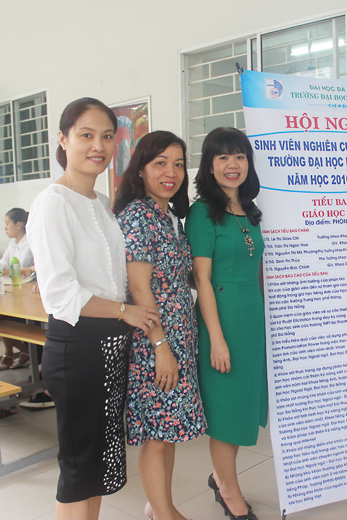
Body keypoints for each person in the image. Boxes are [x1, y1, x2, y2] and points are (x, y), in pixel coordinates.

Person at [26, 97, 159, 520]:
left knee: (101, 464)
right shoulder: (53, 202)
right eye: (86, 135)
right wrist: (125, 311)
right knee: (80, 465)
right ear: (63, 140)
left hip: (111, 346)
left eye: (106, 136)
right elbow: (60, 295)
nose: (98, 146)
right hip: (78, 347)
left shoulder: (103, 204)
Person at [115, 131, 206, 520]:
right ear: (140, 169)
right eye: (161, 163)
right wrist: (160, 347)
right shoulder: (138, 215)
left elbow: (180, 278)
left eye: (179, 164)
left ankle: (160, 508)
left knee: (167, 430)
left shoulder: (169, 217)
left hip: (178, 336)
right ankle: (165, 515)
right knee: (156, 433)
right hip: (154, 341)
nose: (172, 172)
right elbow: (139, 289)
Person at [185, 127, 265, 520]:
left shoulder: (250, 210)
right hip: (222, 319)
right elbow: (202, 280)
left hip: (251, 318)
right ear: (209, 165)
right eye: (223, 157)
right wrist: (216, 339)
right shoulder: (202, 213)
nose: (232, 165)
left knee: (242, 405)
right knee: (226, 412)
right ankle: (229, 491)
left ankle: (221, 478)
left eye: (239, 156)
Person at [0, 207, 33, 370]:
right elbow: (4, 264)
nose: (5, 228)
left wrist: (4, 271)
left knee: (6, 318)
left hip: (28, 293)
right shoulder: (13, 243)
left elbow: (19, 269)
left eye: (7, 224)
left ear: (18, 225)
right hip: (13, 289)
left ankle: (25, 352)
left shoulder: (30, 243)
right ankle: (14, 352)